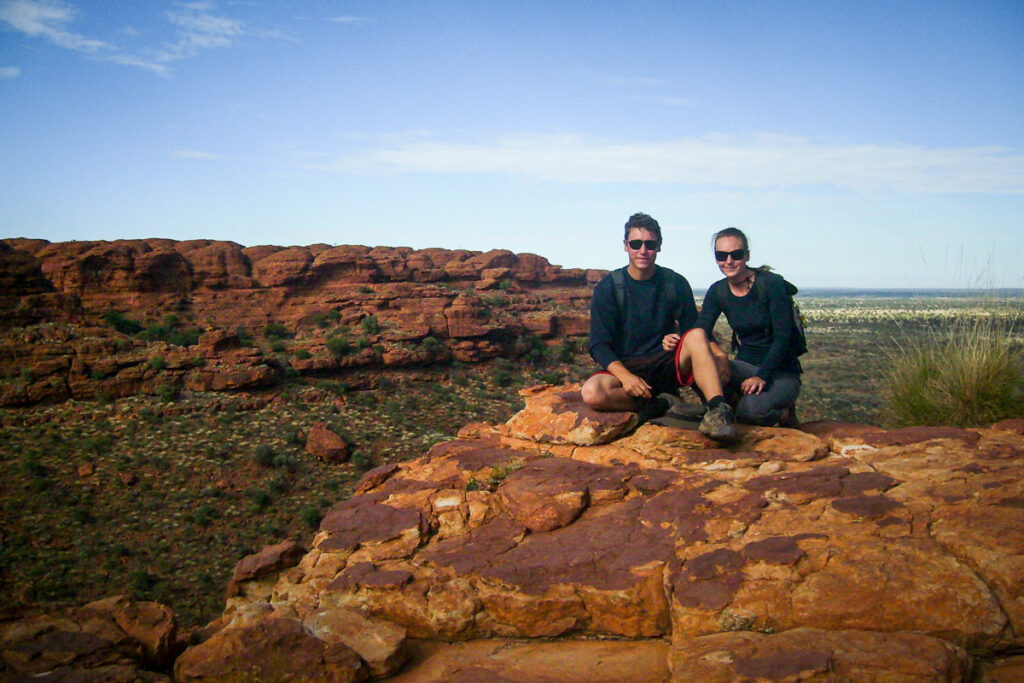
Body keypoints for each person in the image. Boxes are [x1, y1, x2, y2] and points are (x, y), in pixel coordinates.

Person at [582, 212, 737, 440]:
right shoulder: (609, 288)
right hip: (628, 367)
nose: (643, 250)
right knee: (592, 392)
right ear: (626, 246)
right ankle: (661, 403)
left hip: (666, 363)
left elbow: (695, 331)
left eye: (650, 244)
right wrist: (626, 377)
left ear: (659, 246)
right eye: (636, 244)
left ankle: (718, 410)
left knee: (694, 336)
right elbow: (598, 344)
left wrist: (721, 356)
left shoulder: (675, 283)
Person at [696, 227, 801, 427]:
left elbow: (783, 338)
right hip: (744, 366)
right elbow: (701, 330)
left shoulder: (770, 284)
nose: (728, 261)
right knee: (701, 371)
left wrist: (761, 376)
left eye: (736, 255)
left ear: (747, 256)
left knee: (750, 412)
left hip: (781, 371)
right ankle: (729, 411)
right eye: (721, 255)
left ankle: (784, 413)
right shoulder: (718, 291)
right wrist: (720, 356)